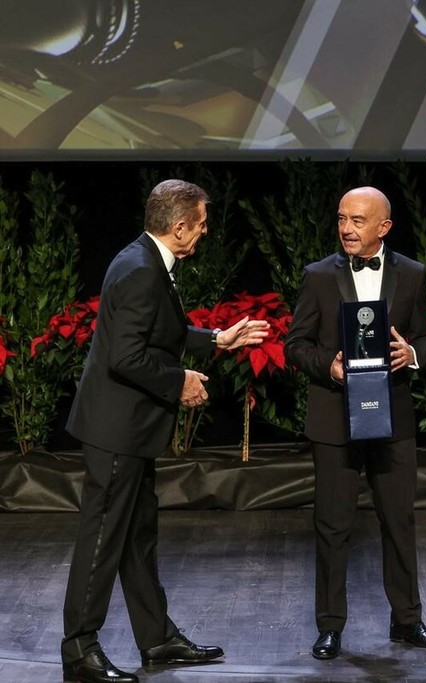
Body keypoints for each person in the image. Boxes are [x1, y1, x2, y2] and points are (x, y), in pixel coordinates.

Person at [62, 179, 270, 683]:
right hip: (116, 427)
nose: (204, 232)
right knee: (102, 539)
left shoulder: (145, 258)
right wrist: (179, 382)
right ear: (178, 227)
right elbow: (126, 356)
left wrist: (217, 339)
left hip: (130, 428)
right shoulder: (140, 269)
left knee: (137, 537)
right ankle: (79, 649)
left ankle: (155, 638)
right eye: (200, 224)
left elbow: (160, 332)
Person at [284, 186, 426, 660]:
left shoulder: (412, 273)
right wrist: (328, 367)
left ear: (384, 227)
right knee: (332, 525)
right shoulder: (318, 275)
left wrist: (411, 353)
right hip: (335, 420)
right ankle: (330, 626)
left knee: (399, 521)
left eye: (357, 220)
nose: (347, 228)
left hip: (392, 419)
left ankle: (407, 620)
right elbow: (295, 345)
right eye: (342, 219)